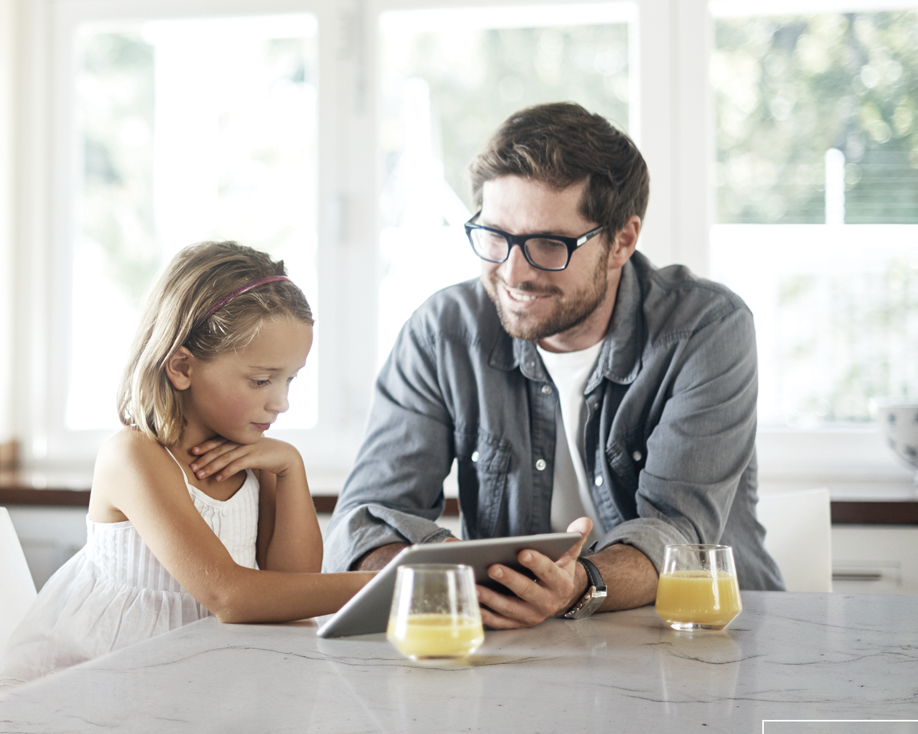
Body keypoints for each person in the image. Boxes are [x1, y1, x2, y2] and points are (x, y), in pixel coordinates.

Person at [325, 102, 783, 630]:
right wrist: (433, 571)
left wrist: (578, 586)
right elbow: (364, 521)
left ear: (623, 241)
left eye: (548, 243)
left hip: (697, 638)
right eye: (495, 236)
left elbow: (677, 531)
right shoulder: (442, 332)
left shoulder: (705, 328)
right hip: (523, 648)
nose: (513, 272)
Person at [0, 241, 372, 688]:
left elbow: (292, 591)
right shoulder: (134, 456)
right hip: (95, 683)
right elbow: (231, 596)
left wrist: (291, 469)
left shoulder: (257, 459)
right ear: (181, 367)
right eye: (261, 380)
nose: (281, 402)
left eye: (290, 379)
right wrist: (387, 586)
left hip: (190, 680)